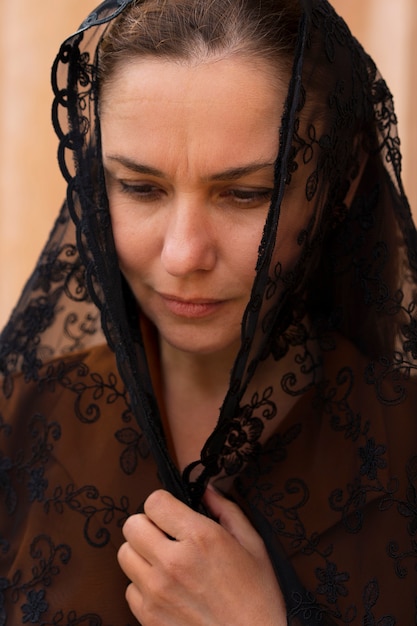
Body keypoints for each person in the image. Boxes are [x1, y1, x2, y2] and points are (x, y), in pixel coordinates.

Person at [1, 0, 416, 623]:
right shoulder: (19, 417)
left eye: (247, 195)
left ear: (339, 184)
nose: (183, 253)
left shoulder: (404, 445)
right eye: (140, 188)